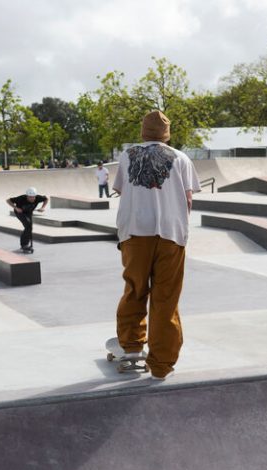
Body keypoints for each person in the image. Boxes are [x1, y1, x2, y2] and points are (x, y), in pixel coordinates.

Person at [111, 110, 201, 381]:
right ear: (167, 133)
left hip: (135, 233)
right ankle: (161, 364)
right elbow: (188, 200)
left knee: (135, 289)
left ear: (143, 131)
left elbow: (122, 191)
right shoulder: (182, 158)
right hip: (172, 235)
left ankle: (132, 346)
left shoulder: (127, 156)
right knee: (166, 298)